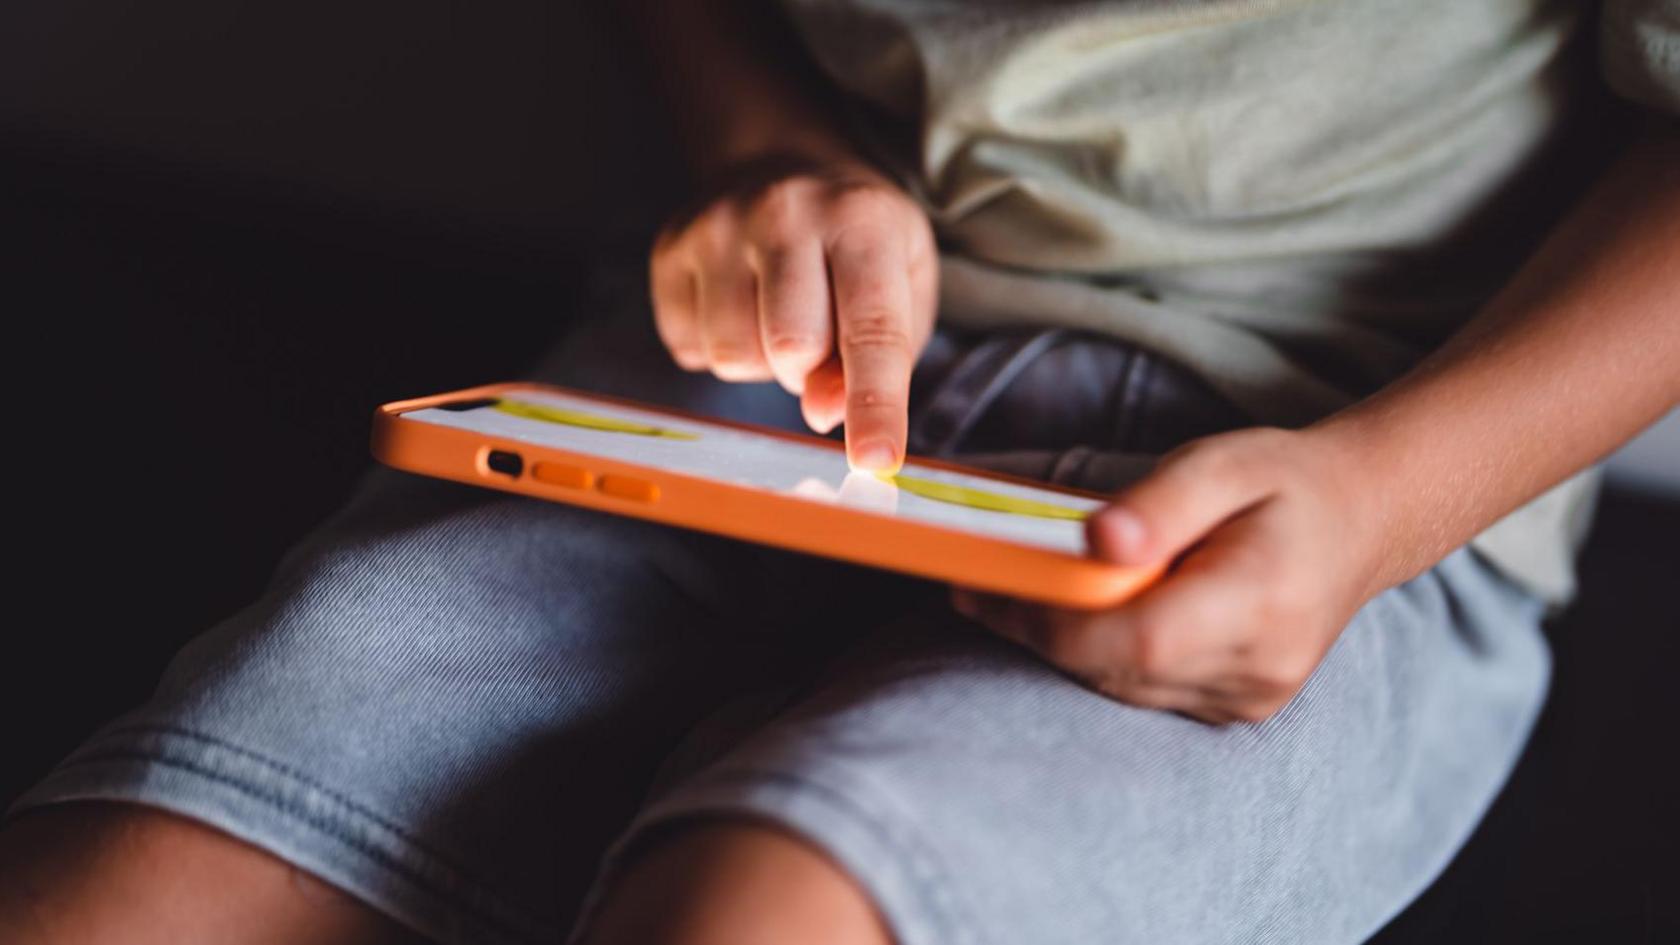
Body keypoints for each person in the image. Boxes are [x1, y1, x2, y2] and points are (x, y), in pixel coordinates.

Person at [3, 1, 1677, 942]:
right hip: (737, 367)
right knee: (125, 901)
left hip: (1335, 456)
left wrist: (1384, 500)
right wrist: (767, 151)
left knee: (765, 913)